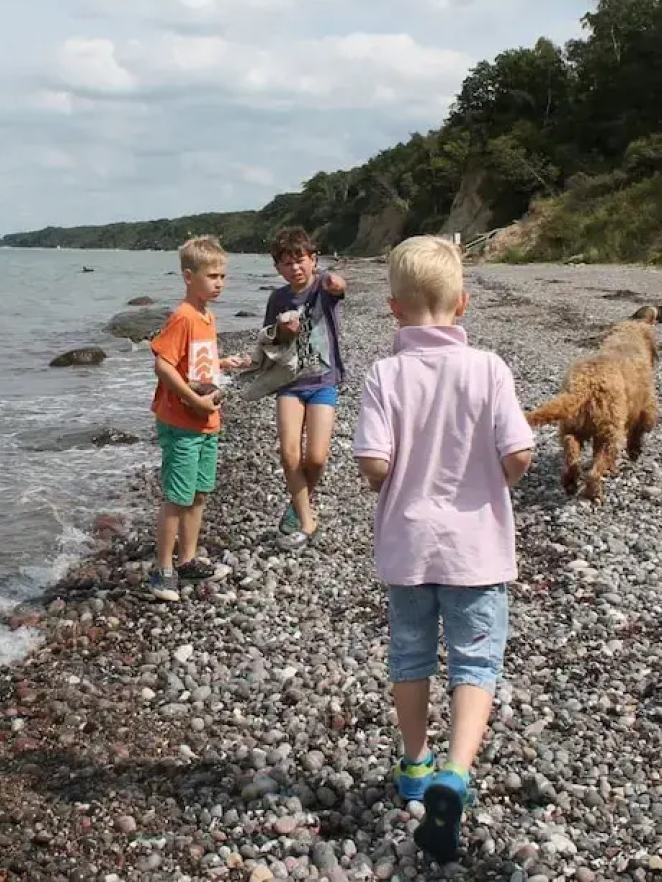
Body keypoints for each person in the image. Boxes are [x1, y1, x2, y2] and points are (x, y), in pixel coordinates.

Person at [352, 235, 533, 866]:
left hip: (407, 546)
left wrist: (397, 482)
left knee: (411, 655)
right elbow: (519, 454)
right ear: (463, 303)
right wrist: (491, 483)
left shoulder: (385, 373)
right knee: (474, 661)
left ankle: (413, 765)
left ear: (393, 310)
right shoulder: (489, 368)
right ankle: (454, 773)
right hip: (476, 550)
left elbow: (375, 463)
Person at [146, 235, 248, 602]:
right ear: (189, 277)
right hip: (182, 420)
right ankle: (162, 569)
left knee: (199, 493)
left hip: (207, 421)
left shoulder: (207, 316)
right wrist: (193, 400)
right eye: (211, 276)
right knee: (177, 495)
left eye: (222, 276)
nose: (219, 283)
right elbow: (163, 365)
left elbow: (196, 363)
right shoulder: (184, 316)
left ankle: (187, 560)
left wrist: (224, 363)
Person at [263, 227, 346, 551]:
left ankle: (297, 504)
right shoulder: (278, 298)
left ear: (313, 260)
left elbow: (338, 287)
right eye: (286, 263)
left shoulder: (323, 287)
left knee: (317, 457)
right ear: (278, 268)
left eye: (300, 260)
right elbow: (270, 341)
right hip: (290, 383)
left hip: (324, 381)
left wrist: (337, 283)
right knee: (289, 454)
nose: (294, 267)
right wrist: (284, 331)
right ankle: (308, 523)